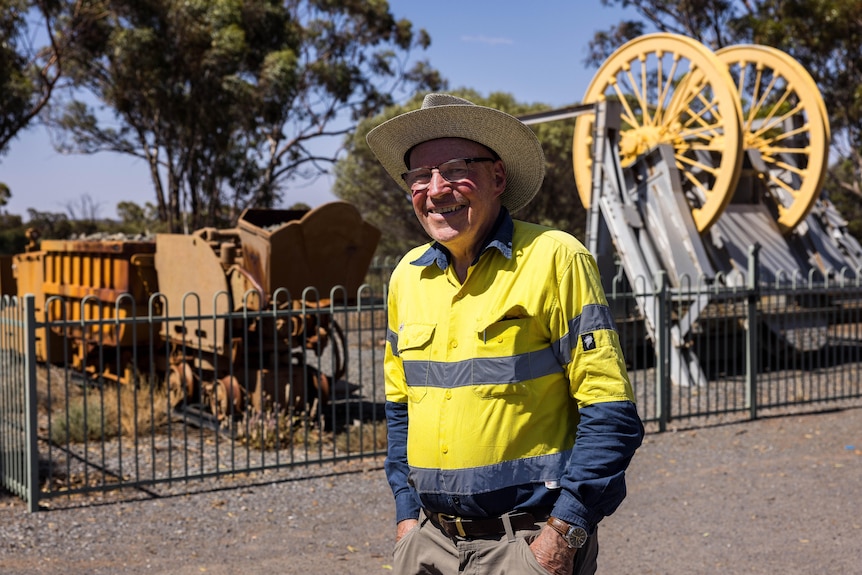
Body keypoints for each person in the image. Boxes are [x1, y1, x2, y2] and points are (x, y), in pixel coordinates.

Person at [366, 93, 644, 575]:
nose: (435, 189)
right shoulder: (406, 276)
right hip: (428, 545)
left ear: (497, 177)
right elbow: (399, 412)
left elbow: (611, 413)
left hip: (526, 546)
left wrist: (563, 535)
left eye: (454, 168)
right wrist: (407, 520)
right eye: (419, 176)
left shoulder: (556, 258)